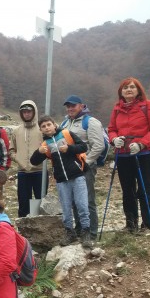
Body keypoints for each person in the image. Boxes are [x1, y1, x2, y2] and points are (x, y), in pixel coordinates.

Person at [108, 77, 150, 233]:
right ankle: (131, 224)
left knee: (145, 188)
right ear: (121, 92)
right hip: (123, 154)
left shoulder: (148, 106)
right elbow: (111, 129)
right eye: (125, 88)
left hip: (144, 153)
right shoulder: (117, 108)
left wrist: (141, 144)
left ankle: (148, 225)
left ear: (138, 90)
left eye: (132, 87)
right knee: (127, 190)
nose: (128, 90)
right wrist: (114, 139)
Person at [30, 115, 92, 246]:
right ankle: (70, 233)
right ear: (41, 130)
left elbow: (83, 147)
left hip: (77, 176)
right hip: (61, 180)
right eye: (43, 126)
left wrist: (69, 148)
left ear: (54, 124)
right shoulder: (45, 144)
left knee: (82, 205)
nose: (47, 128)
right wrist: (39, 152)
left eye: (48, 125)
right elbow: (33, 161)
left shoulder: (66, 133)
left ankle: (86, 233)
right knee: (66, 208)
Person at [61, 95, 106, 234]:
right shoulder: (65, 123)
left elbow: (98, 146)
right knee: (75, 200)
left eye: (73, 105)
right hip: (70, 168)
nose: (70, 108)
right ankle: (81, 229)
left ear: (81, 106)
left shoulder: (91, 122)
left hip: (86, 167)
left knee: (87, 200)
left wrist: (85, 162)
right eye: (68, 106)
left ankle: (91, 232)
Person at [9, 101, 44, 217]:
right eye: (24, 112)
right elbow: (11, 150)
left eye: (29, 111)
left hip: (40, 171)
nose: (27, 114)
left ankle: (37, 225)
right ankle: (24, 228)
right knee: (24, 201)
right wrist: (17, 159)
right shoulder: (16, 131)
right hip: (22, 171)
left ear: (34, 112)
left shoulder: (42, 129)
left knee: (40, 200)